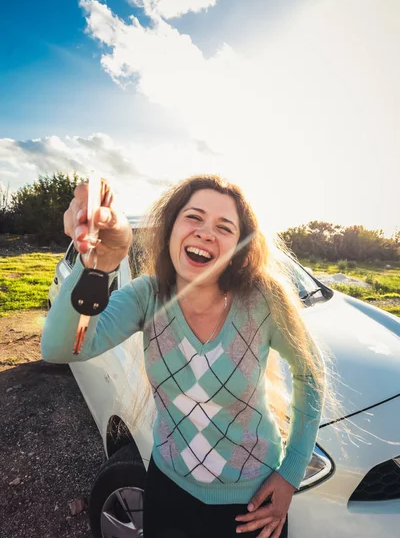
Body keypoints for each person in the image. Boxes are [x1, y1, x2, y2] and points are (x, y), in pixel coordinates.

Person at [41, 174, 325, 538]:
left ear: (239, 246)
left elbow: (310, 371)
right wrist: (98, 264)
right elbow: (62, 347)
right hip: (167, 491)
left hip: (252, 505)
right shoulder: (148, 297)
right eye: (193, 217)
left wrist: (292, 472)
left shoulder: (263, 300)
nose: (206, 232)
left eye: (224, 227)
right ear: (171, 228)